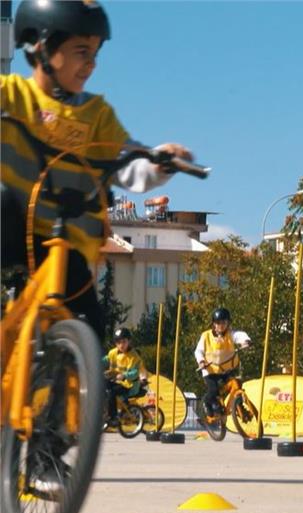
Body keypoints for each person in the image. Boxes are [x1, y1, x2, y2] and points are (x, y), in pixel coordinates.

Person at [1, 0, 194, 340]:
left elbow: (129, 162)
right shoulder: (13, 95)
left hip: (65, 240)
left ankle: (70, 381)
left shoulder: (96, 115)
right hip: (13, 221)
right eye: (81, 51)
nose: (90, 64)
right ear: (42, 45)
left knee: (90, 322)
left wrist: (159, 159)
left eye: (95, 53)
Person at [195, 308, 251, 417]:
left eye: (224, 323)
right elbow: (199, 351)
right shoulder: (206, 336)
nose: (221, 326)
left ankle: (239, 408)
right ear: (213, 324)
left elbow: (239, 335)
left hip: (226, 369)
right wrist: (201, 362)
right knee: (213, 390)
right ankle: (207, 403)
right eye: (218, 323)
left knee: (237, 385)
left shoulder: (230, 334)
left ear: (228, 323)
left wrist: (246, 341)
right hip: (210, 370)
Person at [102, 327, 144, 427]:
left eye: (124, 342)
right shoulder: (113, 353)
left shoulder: (134, 357)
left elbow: (135, 373)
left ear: (129, 341)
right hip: (116, 381)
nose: (121, 345)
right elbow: (105, 360)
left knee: (111, 392)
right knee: (102, 385)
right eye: (118, 342)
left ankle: (113, 418)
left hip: (129, 384)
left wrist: (124, 375)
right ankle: (106, 410)